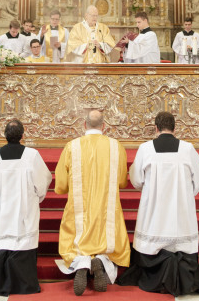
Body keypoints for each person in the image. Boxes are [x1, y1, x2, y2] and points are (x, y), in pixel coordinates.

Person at [119, 111, 199, 295]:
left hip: (153, 210)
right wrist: (185, 195)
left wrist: (149, 191)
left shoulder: (145, 149)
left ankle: (154, 274)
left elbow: (136, 179)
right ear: (175, 128)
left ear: (156, 128)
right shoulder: (188, 149)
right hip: (181, 210)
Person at [0, 117, 52, 296]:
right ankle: (23, 283)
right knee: (23, 239)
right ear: (22, 135)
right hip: (25, 211)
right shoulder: (32, 156)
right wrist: (37, 198)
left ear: (4, 135)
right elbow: (43, 181)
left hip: (2, 212)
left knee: (2, 240)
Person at [55, 109, 130, 294]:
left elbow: (61, 185)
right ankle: (101, 261)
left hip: (79, 211)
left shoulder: (72, 146)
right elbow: (122, 181)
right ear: (104, 126)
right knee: (108, 241)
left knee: (74, 241)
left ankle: (82, 263)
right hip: (106, 211)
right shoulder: (116, 146)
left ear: (84, 125)